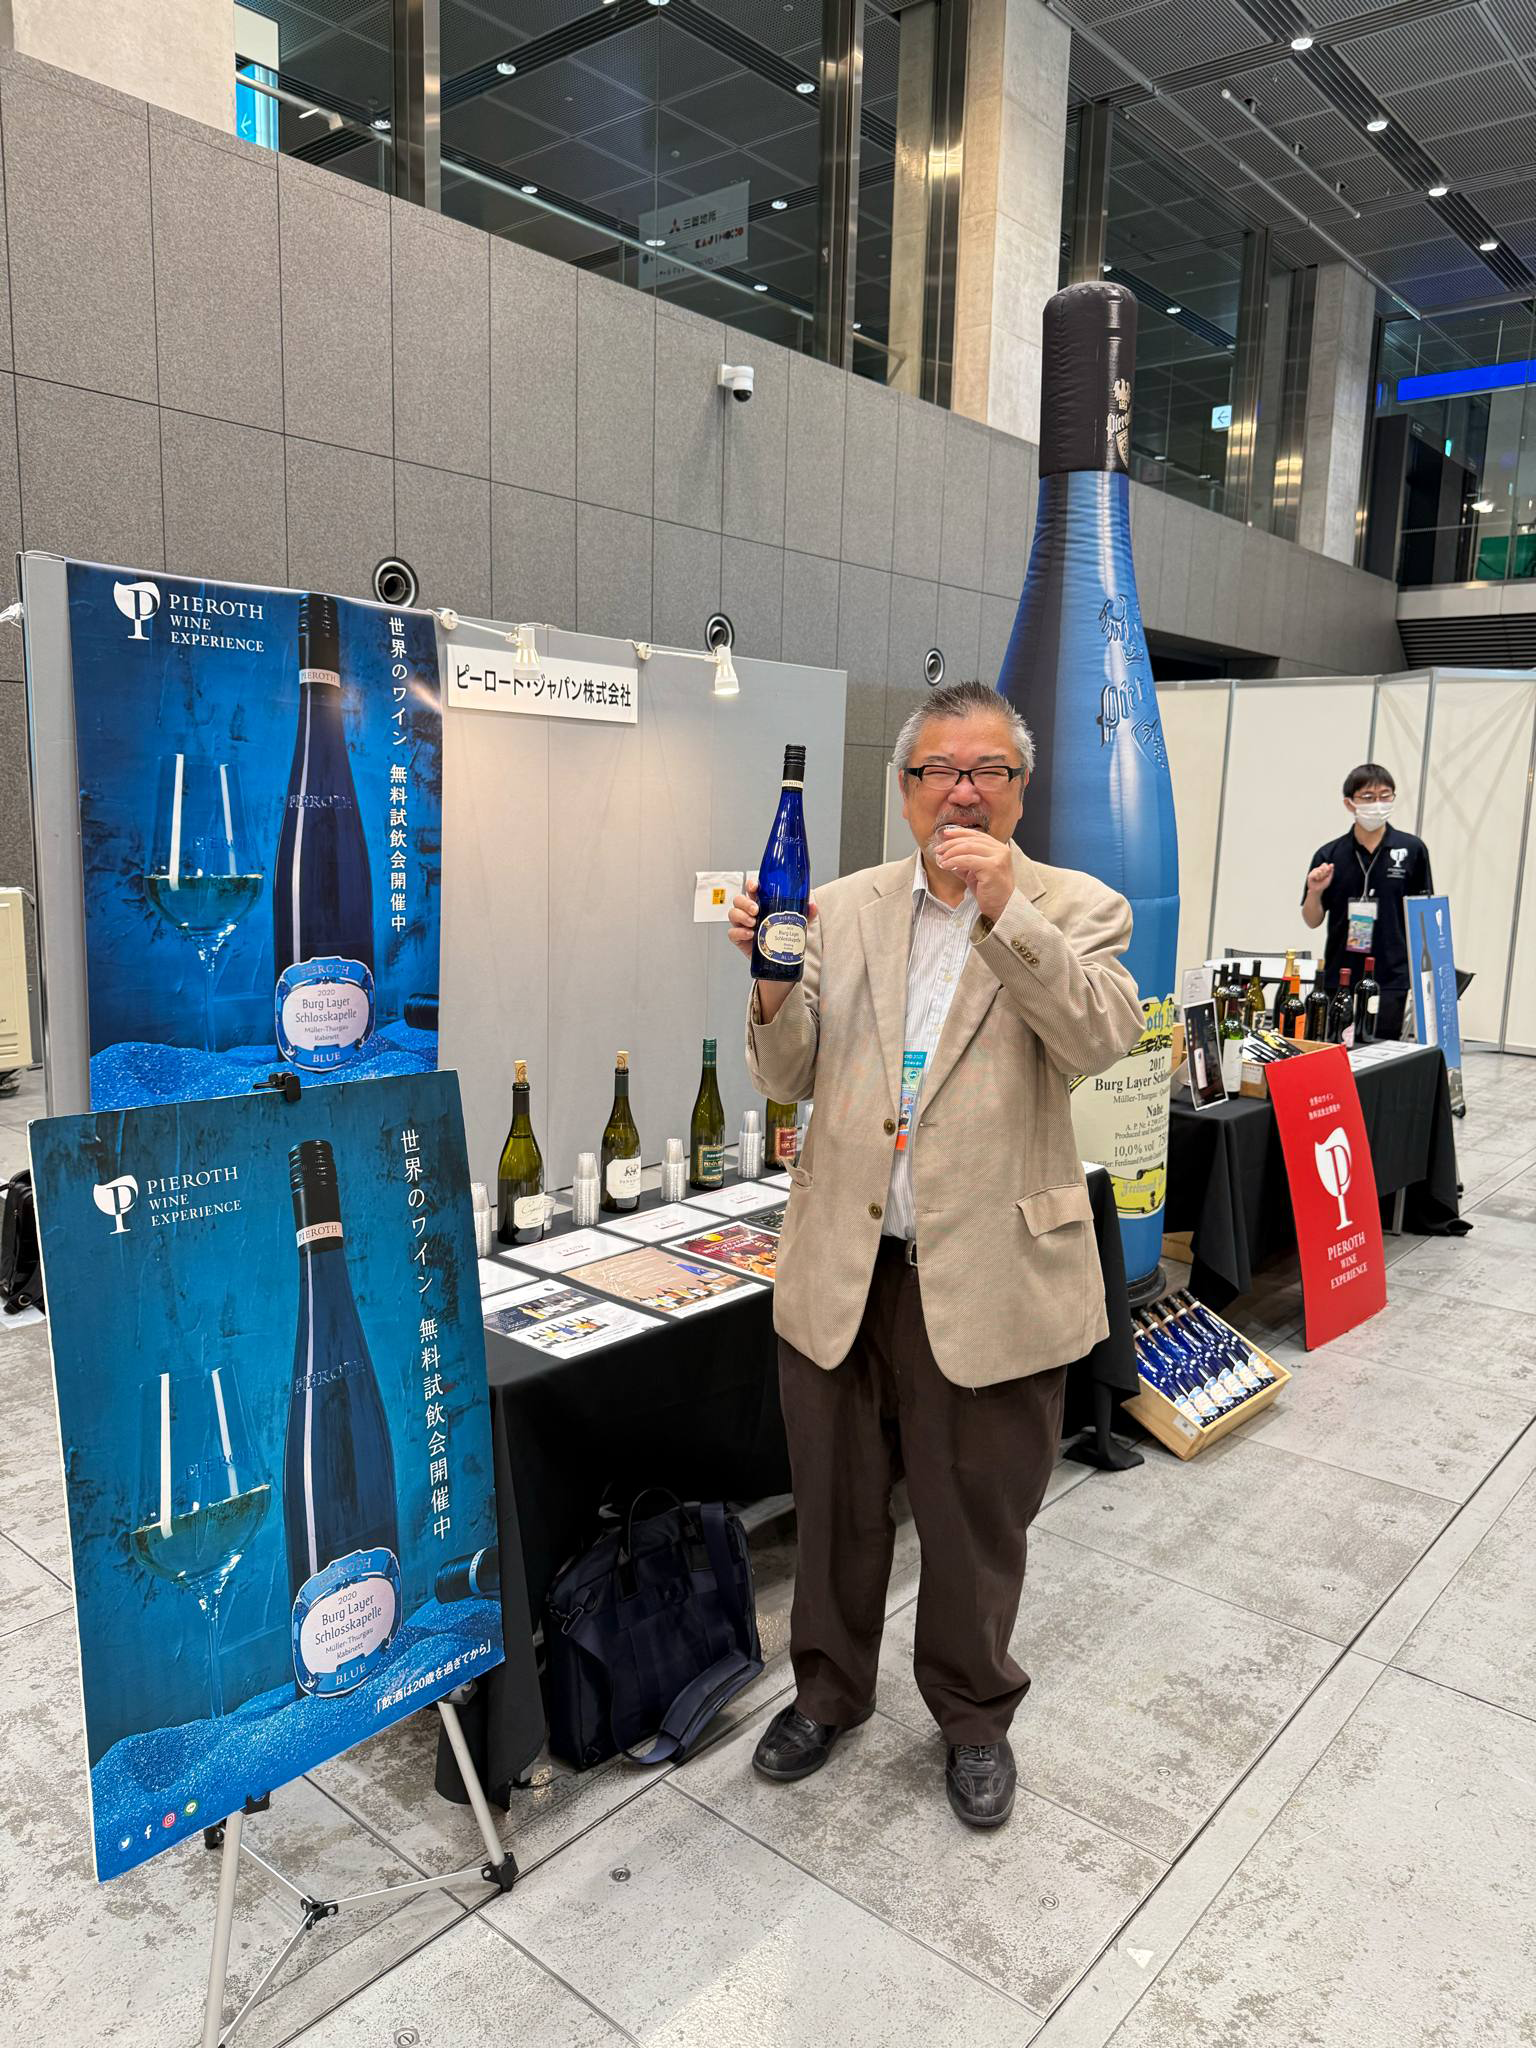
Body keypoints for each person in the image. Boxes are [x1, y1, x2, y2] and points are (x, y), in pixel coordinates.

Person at [727, 680, 1142, 1829]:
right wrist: (769, 982)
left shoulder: (1079, 906)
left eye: (987, 768)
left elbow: (1099, 1037)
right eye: (938, 770)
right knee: (835, 1507)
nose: (962, 789)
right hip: (846, 1264)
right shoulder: (841, 905)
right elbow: (788, 1075)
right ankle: (828, 1691)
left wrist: (1007, 909)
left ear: (1021, 787)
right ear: (905, 788)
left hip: (996, 1270)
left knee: (975, 1522)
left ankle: (972, 1714)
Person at [1301, 763, 1433, 1041]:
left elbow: (1423, 916)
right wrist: (1314, 891)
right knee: (1337, 1046)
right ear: (1349, 803)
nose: (1378, 804)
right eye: (1368, 797)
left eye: (1385, 796)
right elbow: (1312, 920)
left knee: (1382, 1049)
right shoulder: (1329, 855)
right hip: (1341, 973)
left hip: (1391, 975)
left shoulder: (1412, 850)